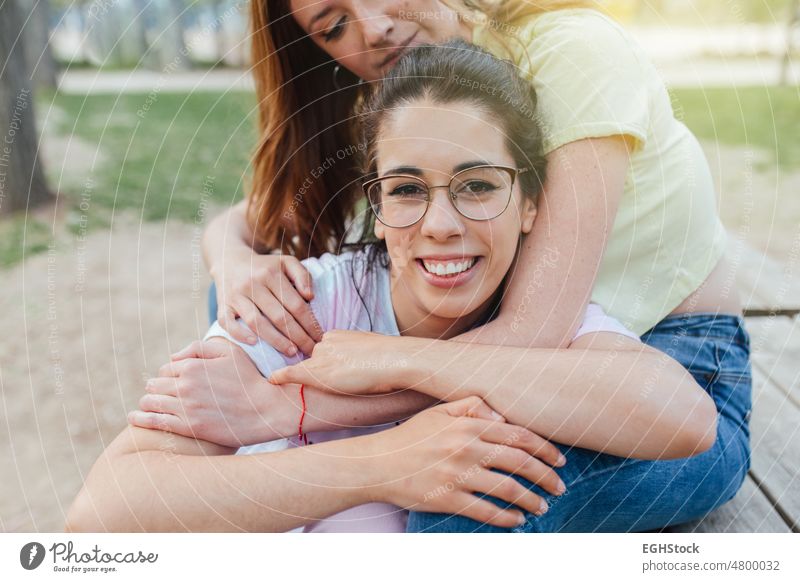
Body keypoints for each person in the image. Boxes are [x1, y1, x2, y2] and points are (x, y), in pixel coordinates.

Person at [126, 41, 730, 534]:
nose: (441, 225)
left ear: (530, 206)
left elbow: (685, 418)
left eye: (478, 186)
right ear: (378, 203)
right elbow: (106, 512)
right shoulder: (305, 306)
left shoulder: (548, 324)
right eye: (408, 190)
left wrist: (399, 360)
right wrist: (379, 465)